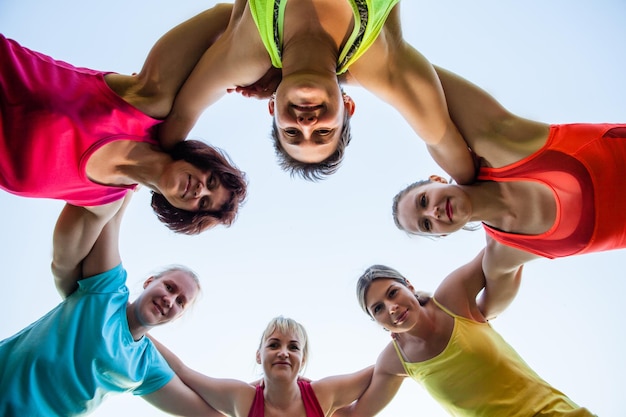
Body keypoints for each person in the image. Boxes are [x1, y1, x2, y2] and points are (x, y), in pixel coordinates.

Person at [391, 66, 626, 318]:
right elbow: (483, 315)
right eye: (426, 224)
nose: (433, 212)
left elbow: (412, 70)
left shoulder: (497, 142)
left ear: (436, 179)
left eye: (424, 200)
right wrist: (421, 313)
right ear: (442, 235)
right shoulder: (503, 257)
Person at [158, 0, 476, 183]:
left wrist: (152, 175)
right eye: (324, 132)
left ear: (272, 107)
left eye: (292, 133)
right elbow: (443, 140)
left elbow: (180, 116)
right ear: (348, 107)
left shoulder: (246, 52)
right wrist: (478, 203)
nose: (307, 124)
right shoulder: (382, 66)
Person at [0, 3, 247, 236]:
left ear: (184, 213)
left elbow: (66, 270)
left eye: (203, 202)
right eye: (211, 181)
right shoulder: (147, 103)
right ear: (202, 163)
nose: (200, 189)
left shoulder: (101, 203)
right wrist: (267, 73)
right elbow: (223, 16)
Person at [0, 193, 226, 417]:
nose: (169, 300)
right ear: (149, 282)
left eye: (180, 302)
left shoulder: (145, 366)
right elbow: (111, 215)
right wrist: (135, 180)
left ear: (177, 316)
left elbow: (206, 413)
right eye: (169, 287)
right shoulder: (107, 291)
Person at [332, 254, 595, 417]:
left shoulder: (451, 299)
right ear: (377, 321)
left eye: (393, 293)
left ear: (409, 286)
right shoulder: (394, 361)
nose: (392, 308)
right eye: (378, 308)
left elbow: (499, 249)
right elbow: (356, 414)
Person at [149, 315, 374, 417]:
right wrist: (137, 331)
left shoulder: (321, 394)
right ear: (259, 355)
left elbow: (382, 370)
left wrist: (404, 340)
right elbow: (183, 372)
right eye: (274, 345)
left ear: (303, 359)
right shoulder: (242, 397)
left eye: (294, 347)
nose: (284, 353)